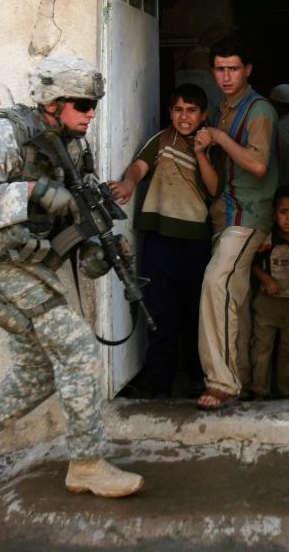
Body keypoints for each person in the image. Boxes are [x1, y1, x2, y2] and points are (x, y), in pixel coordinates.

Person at [0, 54, 144, 498]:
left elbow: (72, 221)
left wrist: (95, 252)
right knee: (76, 347)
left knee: (41, 370)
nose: (91, 114)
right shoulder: (4, 135)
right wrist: (31, 192)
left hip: (31, 267)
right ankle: (86, 463)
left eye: (94, 106)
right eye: (82, 105)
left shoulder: (73, 147)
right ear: (52, 102)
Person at [108, 84, 217, 399]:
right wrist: (129, 183)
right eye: (179, 109)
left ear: (203, 115)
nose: (184, 117)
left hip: (195, 241)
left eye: (192, 110)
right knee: (159, 313)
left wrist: (199, 152)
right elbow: (139, 167)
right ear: (171, 112)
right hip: (158, 241)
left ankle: (198, 378)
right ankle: (160, 386)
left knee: (194, 314)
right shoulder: (161, 140)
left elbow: (212, 189)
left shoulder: (210, 145)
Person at [194, 37, 279, 410]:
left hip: (249, 215)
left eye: (233, 69)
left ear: (247, 70)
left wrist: (220, 138)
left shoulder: (259, 110)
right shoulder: (221, 110)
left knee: (216, 284)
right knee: (234, 300)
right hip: (225, 216)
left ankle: (222, 382)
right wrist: (201, 151)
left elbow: (259, 166)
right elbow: (214, 183)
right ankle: (241, 379)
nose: (226, 76)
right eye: (220, 69)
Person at [247, 186, 289, 399]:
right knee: (262, 348)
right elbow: (253, 265)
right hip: (268, 303)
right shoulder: (268, 240)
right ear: (274, 213)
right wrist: (266, 279)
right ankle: (259, 391)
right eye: (283, 212)